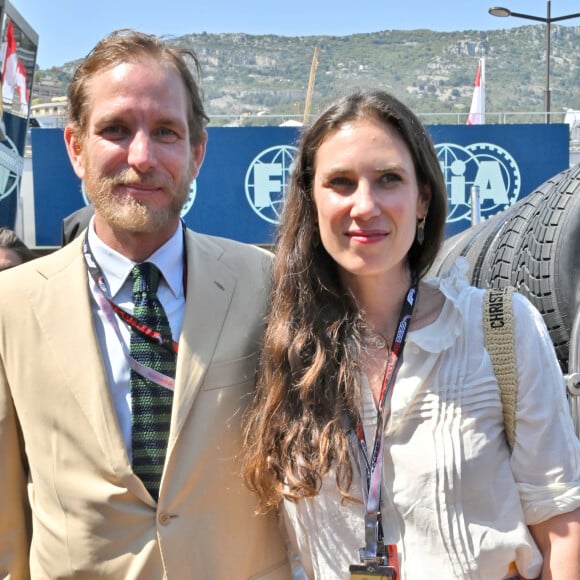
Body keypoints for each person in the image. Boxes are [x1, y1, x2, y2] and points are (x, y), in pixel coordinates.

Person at [241, 90, 580, 579]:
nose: (365, 205)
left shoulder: (500, 330)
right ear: (311, 200)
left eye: (388, 180)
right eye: (340, 182)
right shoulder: (281, 349)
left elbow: (561, 523)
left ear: (422, 197)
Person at [0, 29, 290, 578]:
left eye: (165, 132)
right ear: (76, 148)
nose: (141, 156)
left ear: (197, 152)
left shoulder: (266, 285)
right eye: (115, 129)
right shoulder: (10, 306)